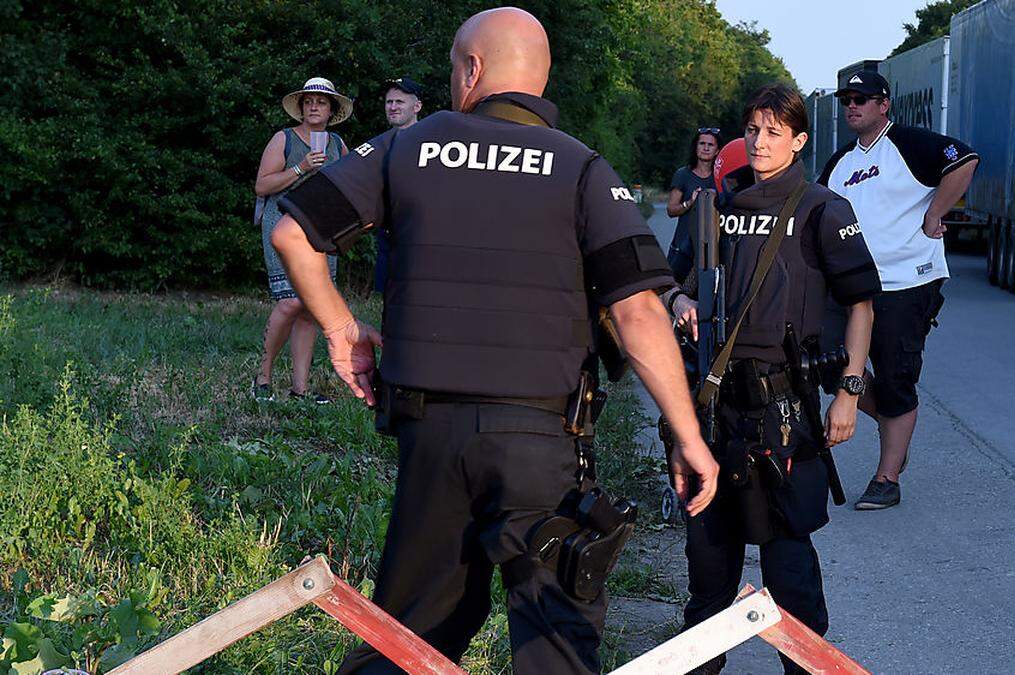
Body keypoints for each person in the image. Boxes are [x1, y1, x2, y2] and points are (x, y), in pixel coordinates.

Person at [269, 7, 719, 674]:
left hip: (433, 435)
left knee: (409, 638)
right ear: (540, 80)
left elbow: (292, 232)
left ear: (472, 69)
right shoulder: (582, 167)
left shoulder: (406, 146)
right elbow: (638, 313)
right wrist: (688, 435)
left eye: (456, 69)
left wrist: (340, 329)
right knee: (555, 641)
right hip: (542, 441)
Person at [671, 84, 880, 675]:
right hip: (716, 409)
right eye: (753, 130)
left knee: (791, 576)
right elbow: (680, 282)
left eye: (773, 131)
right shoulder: (721, 207)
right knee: (709, 577)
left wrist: (849, 392)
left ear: (798, 139)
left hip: (782, 414)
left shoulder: (822, 208)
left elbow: (861, 305)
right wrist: (679, 301)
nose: (760, 142)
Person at [817, 70, 979, 510]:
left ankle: (887, 478)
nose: (853, 106)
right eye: (847, 100)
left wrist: (935, 214)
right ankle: (893, 423)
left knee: (896, 377)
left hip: (907, 282)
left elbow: (964, 161)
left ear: (883, 105)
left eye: (862, 99)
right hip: (851, 288)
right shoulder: (840, 163)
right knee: (826, 361)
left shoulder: (909, 143)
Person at [252, 77, 352, 403]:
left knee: (311, 307)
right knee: (291, 301)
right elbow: (262, 186)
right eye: (308, 101)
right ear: (300, 107)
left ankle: (300, 390)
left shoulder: (338, 145)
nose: (313, 106)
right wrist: (301, 167)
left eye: (321, 102)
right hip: (282, 226)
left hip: (321, 229)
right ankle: (262, 378)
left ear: (331, 110)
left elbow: (349, 188)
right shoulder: (284, 139)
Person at [374, 77, 425, 294]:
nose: (393, 107)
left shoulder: (432, 143)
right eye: (389, 102)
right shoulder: (379, 144)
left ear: (417, 106)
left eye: (399, 102)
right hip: (388, 234)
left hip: (421, 233)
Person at [665, 129, 721, 282]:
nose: (706, 148)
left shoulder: (721, 177)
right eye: (702, 143)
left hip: (711, 252)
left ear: (717, 150)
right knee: (674, 292)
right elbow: (671, 210)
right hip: (681, 248)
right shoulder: (683, 174)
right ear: (695, 147)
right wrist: (690, 203)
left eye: (711, 144)